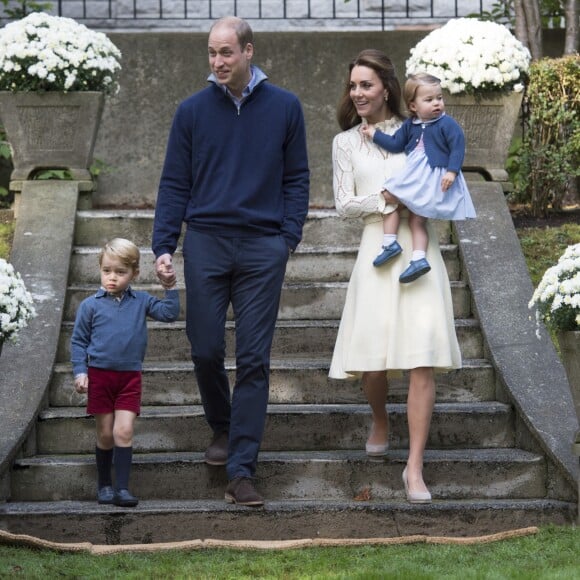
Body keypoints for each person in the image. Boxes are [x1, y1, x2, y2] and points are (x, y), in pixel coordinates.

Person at [152, 16, 309, 507]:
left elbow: (297, 178)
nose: (217, 62)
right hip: (207, 242)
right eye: (211, 53)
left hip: (264, 247)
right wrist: (163, 244)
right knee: (204, 347)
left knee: (255, 360)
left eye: (226, 52)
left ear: (248, 52)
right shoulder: (191, 112)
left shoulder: (285, 107)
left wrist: (287, 237)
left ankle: (242, 469)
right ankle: (222, 425)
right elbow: (175, 182)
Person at [329, 50, 462, 503]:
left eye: (366, 85)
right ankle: (381, 417)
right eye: (353, 86)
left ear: (385, 87)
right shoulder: (346, 143)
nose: (358, 93)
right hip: (375, 248)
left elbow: (448, 177)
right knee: (371, 361)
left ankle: (415, 467)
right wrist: (388, 200)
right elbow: (344, 204)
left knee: (421, 357)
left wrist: (422, 196)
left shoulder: (421, 129)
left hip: (418, 248)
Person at [71, 238, 180, 507]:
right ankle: (104, 485)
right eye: (107, 271)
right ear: (100, 269)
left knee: (124, 431)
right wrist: (79, 372)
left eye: (120, 272)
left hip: (129, 378)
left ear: (134, 274)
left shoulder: (141, 301)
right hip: (100, 377)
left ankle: (122, 488)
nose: (112, 278)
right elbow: (78, 342)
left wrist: (170, 287)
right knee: (106, 434)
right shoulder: (90, 306)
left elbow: (169, 314)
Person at [361, 73, 476, 283]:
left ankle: (400, 248)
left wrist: (452, 171)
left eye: (439, 98)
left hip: (432, 177)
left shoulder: (447, 124)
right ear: (413, 106)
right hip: (416, 176)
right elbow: (396, 143)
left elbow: (457, 146)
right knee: (411, 216)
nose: (437, 104)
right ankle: (411, 254)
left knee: (393, 199)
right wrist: (374, 134)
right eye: (429, 100)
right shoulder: (410, 125)